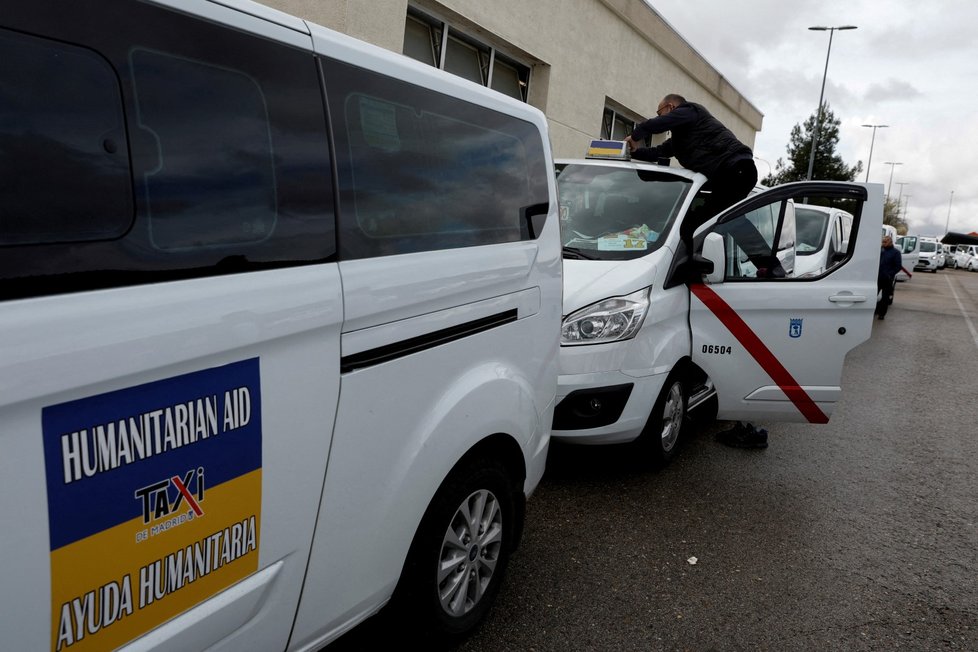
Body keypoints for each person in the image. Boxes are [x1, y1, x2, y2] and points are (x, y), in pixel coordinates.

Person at [623, 94, 758, 237]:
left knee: (694, 225)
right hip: (727, 176)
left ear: (671, 107)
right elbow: (657, 152)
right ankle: (763, 258)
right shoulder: (680, 140)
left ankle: (694, 256)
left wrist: (634, 136)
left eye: (659, 113)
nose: (659, 117)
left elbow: (658, 124)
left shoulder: (691, 110)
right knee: (725, 221)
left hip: (737, 170)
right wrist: (633, 152)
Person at [876, 235, 902, 320]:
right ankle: (874, 310)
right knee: (873, 295)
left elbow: (898, 266)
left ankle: (882, 314)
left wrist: (889, 274)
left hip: (887, 279)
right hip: (877, 278)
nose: (883, 243)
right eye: (882, 241)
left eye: (885, 242)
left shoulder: (895, 253)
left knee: (885, 297)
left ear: (890, 242)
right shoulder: (880, 250)